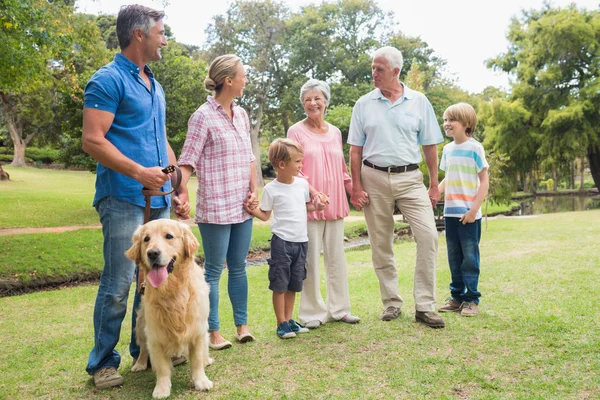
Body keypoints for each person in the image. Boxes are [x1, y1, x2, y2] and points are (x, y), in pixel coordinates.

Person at [82, 4, 189, 389]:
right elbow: (92, 140)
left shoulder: (154, 84)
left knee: (154, 281)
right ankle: (102, 364)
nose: (165, 38)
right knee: (119, 281)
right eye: (162, 32)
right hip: (123, 197)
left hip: (159, 199)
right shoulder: (107, 80)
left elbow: (160, 140)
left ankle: (142, 352)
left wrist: (178, 185)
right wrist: (138, 172)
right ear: (140, 34)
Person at [347, 46, 445, 328]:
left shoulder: (419, 101)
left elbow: (429, 146)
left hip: (411, 178)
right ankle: (391, 303)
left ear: (396, 72)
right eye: (373, 68)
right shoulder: (363, 104)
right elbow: (355, 150)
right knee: (381, 242)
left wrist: (434, 184)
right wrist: (356, 186)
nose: (373, 73)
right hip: (373, 177)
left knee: (429, 237)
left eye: (379, 69)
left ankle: (425, 306)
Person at [177, 54, 257, 350]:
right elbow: (188, 160)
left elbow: (249, 156)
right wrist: (179, 190)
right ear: (228, 80)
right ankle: (213, 333)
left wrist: (253, 191)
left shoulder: (243, 115)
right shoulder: (202, 116)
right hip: (215, 208)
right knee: (213, 270)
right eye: (243, 75)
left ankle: (243, 325)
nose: (245, 79)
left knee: (238, 267)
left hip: (241, 207)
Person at [287, 79, 360, 329]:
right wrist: (313, 192)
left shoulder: (336, 132)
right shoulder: (295, 132)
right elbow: (294, 170)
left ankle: (339, 310)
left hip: (336, 203)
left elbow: (342, 169)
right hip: (310, 204)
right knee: (310, 261)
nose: (312, 103)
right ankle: (311, 314)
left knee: (337, 259)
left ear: (326, 102)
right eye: (307, 99)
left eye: (317, 98)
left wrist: (355, 191)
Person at [244, 138, 325, 338]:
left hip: (301, 241)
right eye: (297, 162)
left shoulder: (302, 185)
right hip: (282, 242)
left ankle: (289, 321)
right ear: (282, 165)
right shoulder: (271, 189)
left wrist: (318, 206)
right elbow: (265, 215)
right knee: (280, 284)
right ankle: (281, 324)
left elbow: (304, 206)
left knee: (294, 283)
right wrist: (251, 210)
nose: (301, 165)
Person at [437, 103, 489, 317]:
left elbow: (484, 182)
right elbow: (448, 178)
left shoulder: (475, 148)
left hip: (469, 215)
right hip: (450, 214)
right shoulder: (447, 150)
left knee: (470, 258)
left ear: (466, 123)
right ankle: (457, 296)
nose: (447, 124)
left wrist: (473, 210)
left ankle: (471, 299)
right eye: (445, 120)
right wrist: (432, 194)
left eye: (452, 120)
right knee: (454, 257)